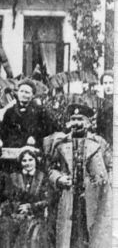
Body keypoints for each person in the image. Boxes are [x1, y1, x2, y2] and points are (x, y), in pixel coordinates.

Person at [48, 103, 111, 248]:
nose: (76, 123)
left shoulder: (100, 143)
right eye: (73, 119)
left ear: (88, 123)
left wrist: (103, 182)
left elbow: (111, 166)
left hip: (93, 197)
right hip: (69, 197)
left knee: (92, 234)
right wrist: (59, 179)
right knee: (70, 236)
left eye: (80, 119)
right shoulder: (60, 143)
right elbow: (51, 169)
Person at [9, 146, 50, 248]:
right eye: (24, 160)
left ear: (35, 160)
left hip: (37, 216)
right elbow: (9, 197)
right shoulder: (13, 177)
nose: (27, 163)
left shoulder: (43, 177)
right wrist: (19, 207)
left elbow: (47, 199)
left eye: (30, 160)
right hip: (17, 216)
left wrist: (31, 207)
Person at [0, 80, 54, 148]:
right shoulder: (10, 112)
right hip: (13, 148)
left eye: (27, 92)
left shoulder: (41, 111)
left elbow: (48, 130)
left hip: (35, 148)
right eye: (21, 91)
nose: (23, 94)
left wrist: (35, 137)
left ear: (33, 95)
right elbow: (3, 134)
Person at [95, 72, 113, 145]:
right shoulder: (102, 104)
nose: (108, 86)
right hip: (104, 144)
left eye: (111, 83)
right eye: (105, 83)